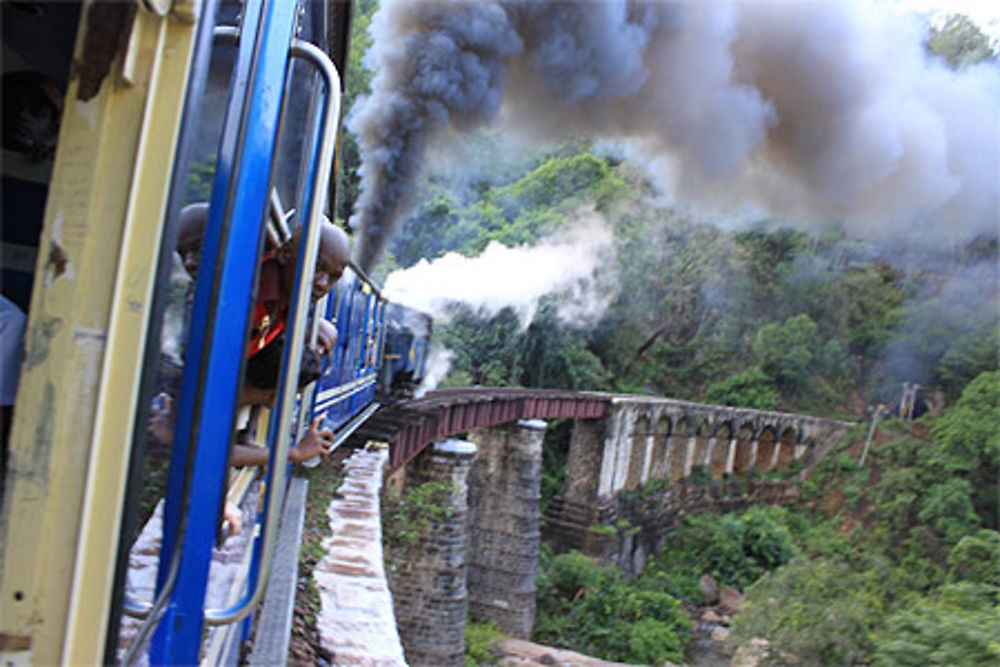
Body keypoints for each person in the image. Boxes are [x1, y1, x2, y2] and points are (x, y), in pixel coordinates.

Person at [248, 218, 350, 356]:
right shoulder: (248, 286)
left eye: (333, 277)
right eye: (316, 267)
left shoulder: (285, 312)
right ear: (285, 254)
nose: (322, 284)